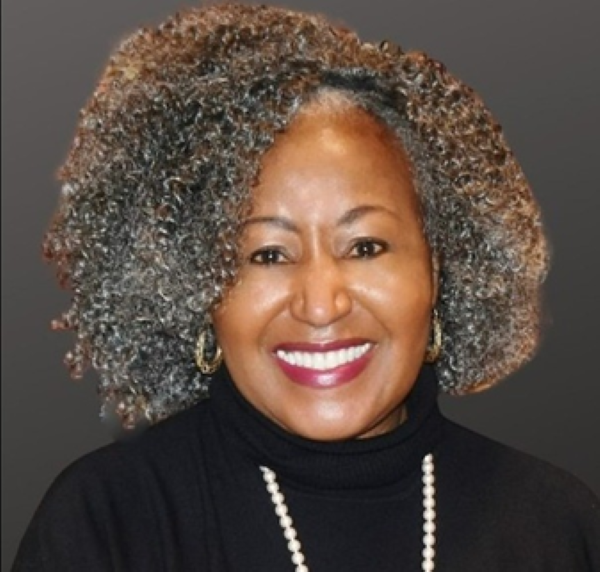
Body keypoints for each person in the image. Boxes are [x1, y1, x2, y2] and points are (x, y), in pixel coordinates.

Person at [12, 3, 600, 571]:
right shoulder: (110, 523)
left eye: (365, 247)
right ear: (197, 284)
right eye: (268, 254)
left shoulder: (555, 526)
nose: (321, 303)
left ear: (437, 267)